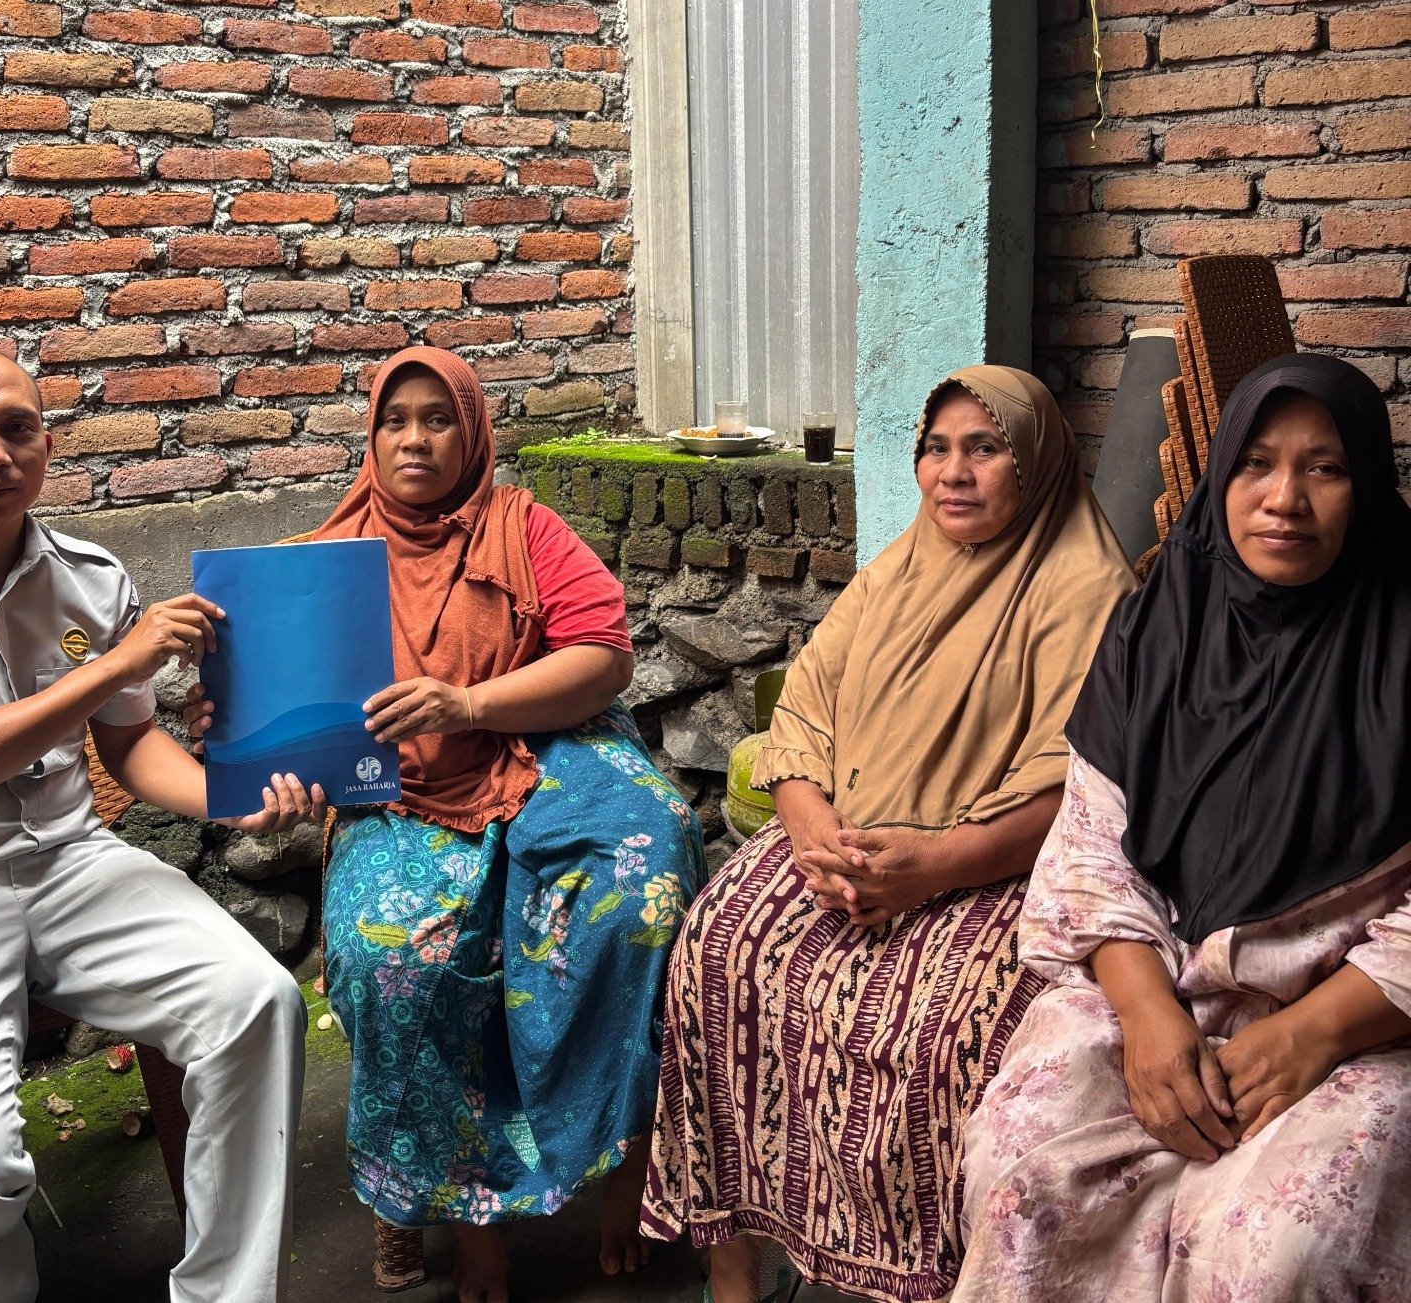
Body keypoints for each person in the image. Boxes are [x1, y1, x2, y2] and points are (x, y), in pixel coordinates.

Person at [188, 345, 703, 1303]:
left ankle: (625, 1160)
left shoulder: (523, 526)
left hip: (545, 744)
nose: (415, 439)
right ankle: (463, 1212)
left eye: (438, 419)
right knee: (397, 956)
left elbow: (603, 654)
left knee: (642, 884)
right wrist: (238, 729)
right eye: (395, 419)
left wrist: (467, 703)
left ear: (472, 433)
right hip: (403, 788)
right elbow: (267, 716)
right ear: (371, 436)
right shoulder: (317, 567)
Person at [0, 344, 322, 1303]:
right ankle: (4, 1282)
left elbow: (129, 746)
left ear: (46, 447)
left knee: (259, 1002)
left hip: (72, 864)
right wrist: (117, 664)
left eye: (16, 428)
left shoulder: (89, 574)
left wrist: (228, 797)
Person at [641, 366, 1137, 1303]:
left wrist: (933, 866)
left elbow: (1075, 785)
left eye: (984, 449)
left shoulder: (1088, 590)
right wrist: (812, 833)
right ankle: (736, 1266)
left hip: (993, 866)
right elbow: (804, 714)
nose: (954, 473)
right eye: (936, 449)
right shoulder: (900, 567)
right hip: (845, 843)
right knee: (721, 946)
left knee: (943, 1031)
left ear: (1035, 463)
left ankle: (917, 1274)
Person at [955, 354, 1411, 1299]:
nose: (1284, 498)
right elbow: (1091, 849)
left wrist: (1313, 1032)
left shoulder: (1403, 641)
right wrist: (1149, 1015)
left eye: (1324, 468)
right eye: (1256, 464)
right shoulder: (1155, 627)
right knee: (1024, 1180)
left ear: (1367, 485)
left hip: (1360, 1014)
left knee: (1275, 1250)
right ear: (1220, 477)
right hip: (1162, 982)